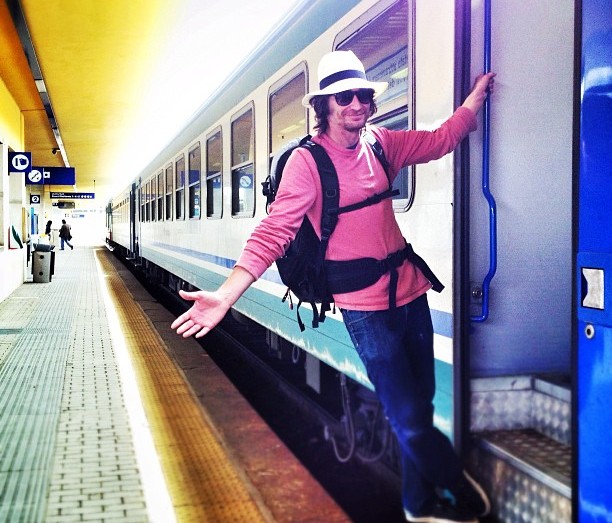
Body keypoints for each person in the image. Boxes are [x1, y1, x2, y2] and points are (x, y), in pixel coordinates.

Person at [171, 50, 495, 523]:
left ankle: (417, 504)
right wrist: (226, 294)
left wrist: (473, 101)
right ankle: (459, 491)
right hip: (364, 307)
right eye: (344, 97)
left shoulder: (381, 144)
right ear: (324, 106)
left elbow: (440, 139)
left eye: (362, 95)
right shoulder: (308, 163)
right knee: (407, 416)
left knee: (420, 406)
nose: (356, 104)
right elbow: (273, 232)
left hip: (411, 293)